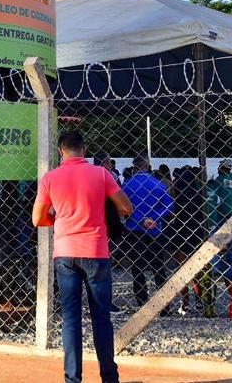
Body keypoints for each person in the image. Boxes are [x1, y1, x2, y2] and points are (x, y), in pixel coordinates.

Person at [32, 131, 134, 383]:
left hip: (65, 252)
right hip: (96, 252)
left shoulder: (50, 178)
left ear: (60, 151)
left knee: (70, 318)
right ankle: (109, 378)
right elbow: (126, 207)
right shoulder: (101, 174)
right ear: (84, 150)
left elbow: (37, 219)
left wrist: (58, 219)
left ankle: (72, 379)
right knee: (101, 317)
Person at [120, 155, 173, 305]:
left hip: (134, 229)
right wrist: (154, 218)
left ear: (134, 167)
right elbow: (169, 205)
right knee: (158, 265)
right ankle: (163, 303)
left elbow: (124, 207)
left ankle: (142, 301)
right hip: (155, 230)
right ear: (148, 166)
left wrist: (140, 219)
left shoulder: (127, 185)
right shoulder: (158, 184)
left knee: (137, 266)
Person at [167, 165, 210, 316]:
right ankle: (199, 301)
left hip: (179, 233)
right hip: (196, 233)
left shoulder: (176, 197)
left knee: (181, 270)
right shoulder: (199, 195)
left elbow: (171, 215)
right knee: (196, 271)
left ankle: (185, 303)